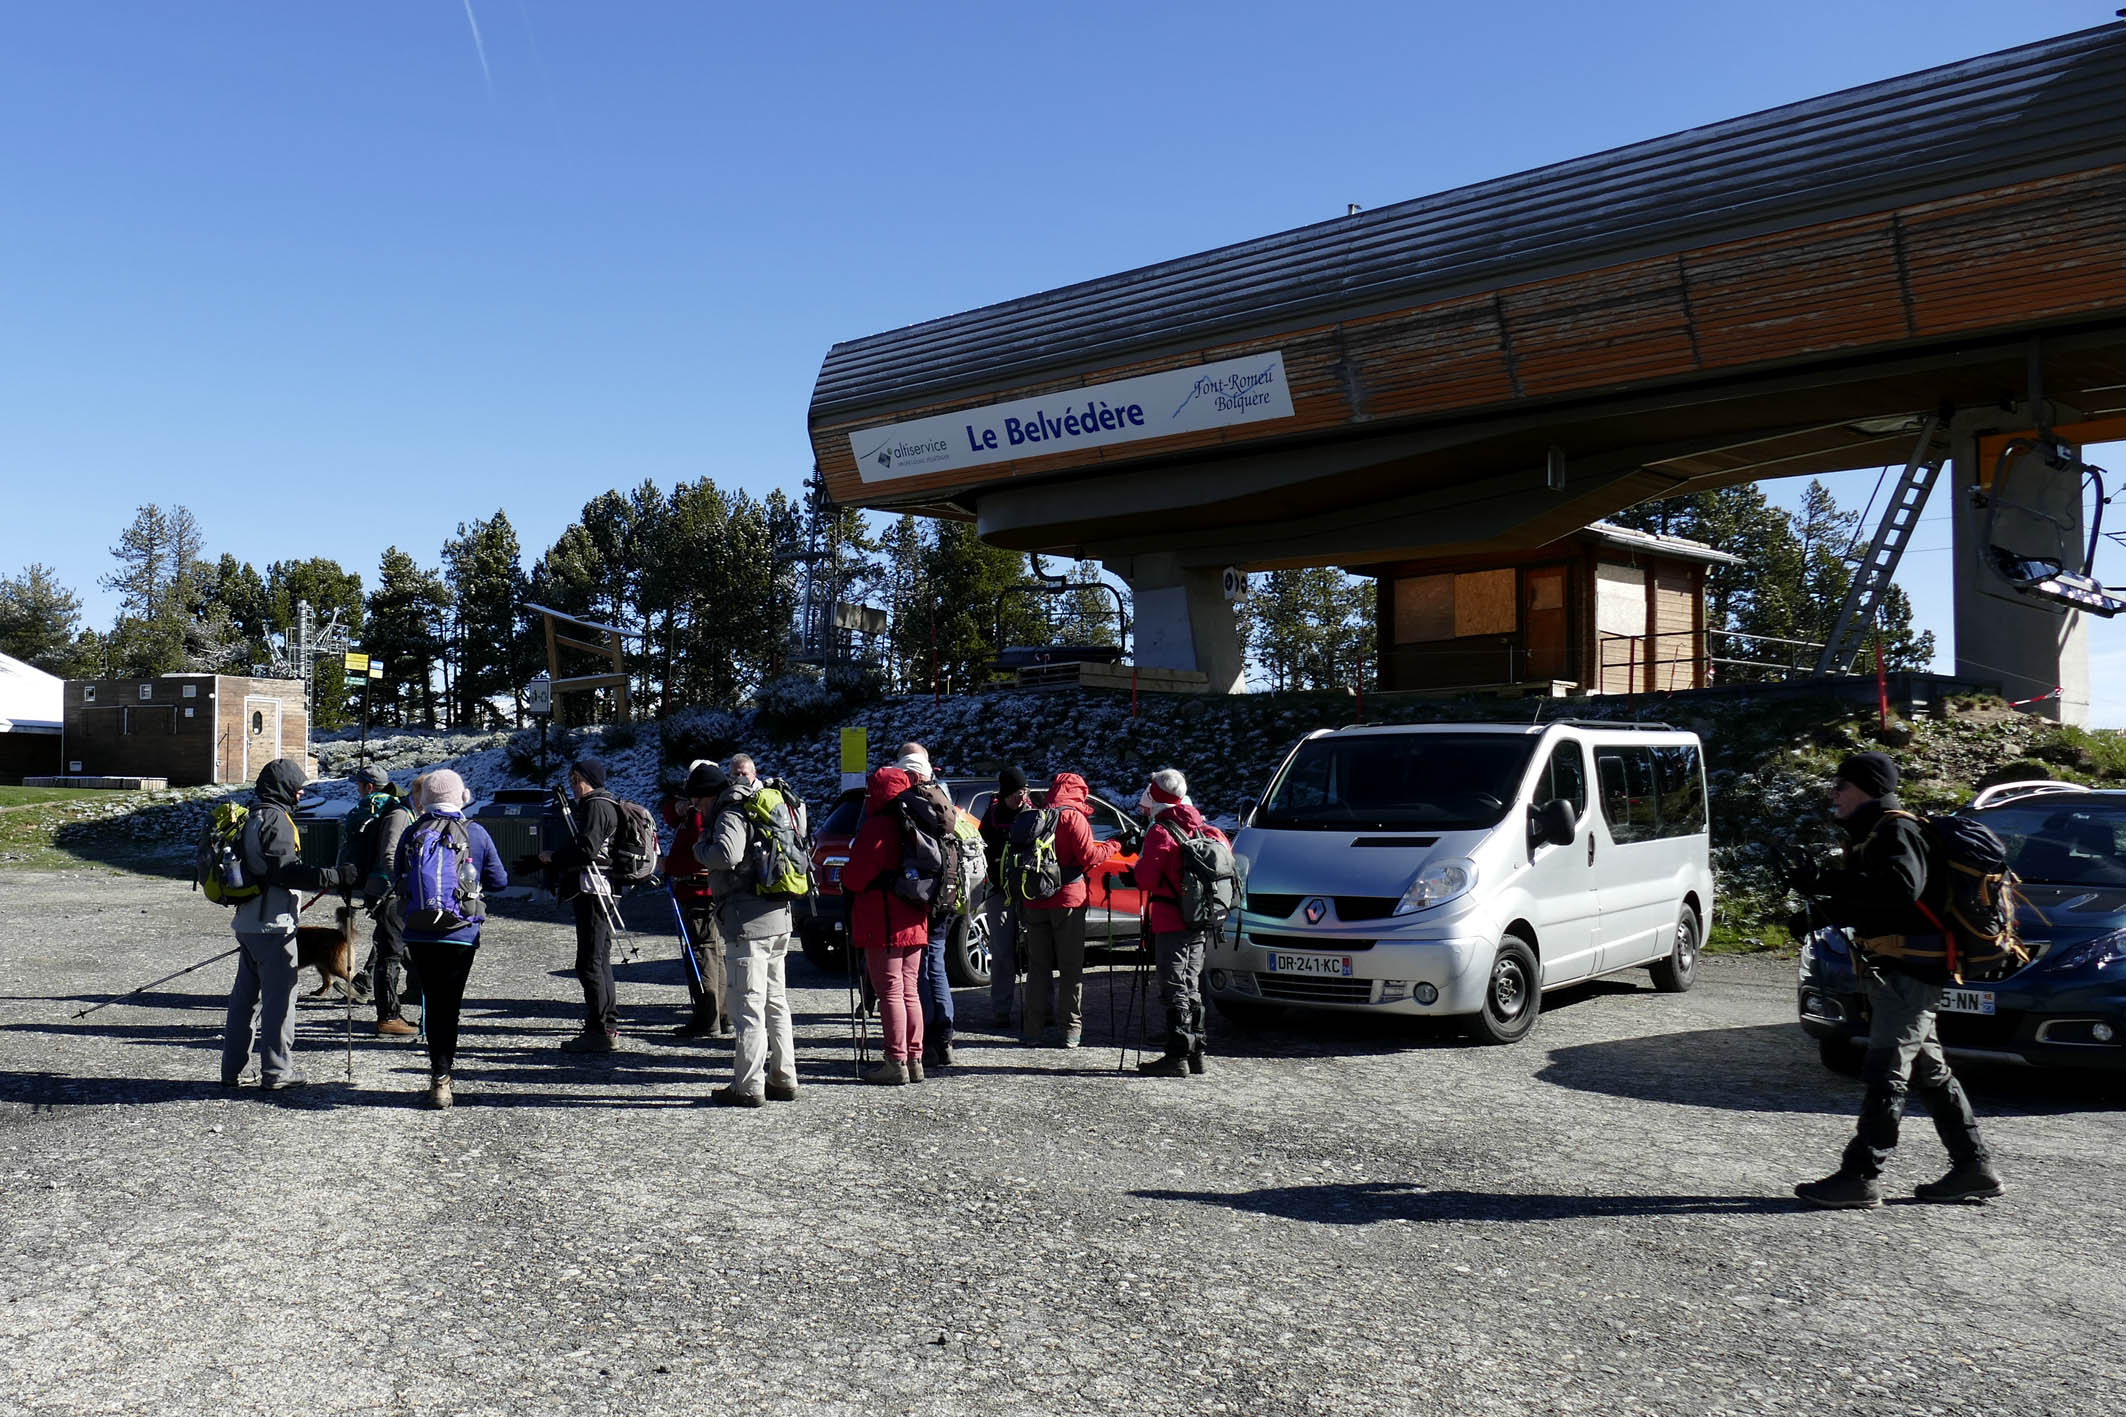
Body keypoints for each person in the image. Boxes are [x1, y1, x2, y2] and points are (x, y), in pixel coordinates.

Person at [1789, 752, 2003, 1209]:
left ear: (1866, 788)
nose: (1834, 794)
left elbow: (1901, 889)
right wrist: (1819, 907)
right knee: (1930, 1070)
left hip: (1910, 972)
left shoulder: (1895, 829)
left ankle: (1861, 1176)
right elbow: (1885, 899)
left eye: (1841, 786)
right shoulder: (1876, 831)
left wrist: (1829, 882)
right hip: (1904, 968)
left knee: (1886, 1069)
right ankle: (1974, 1168)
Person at [220, 758, 359, 1090]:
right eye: (297, 787)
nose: (300, 793)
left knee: (244, 1001)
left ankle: (233, 1071)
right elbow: (286, 872)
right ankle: (277, 1071)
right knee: (280, 1002)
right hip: (273, 926)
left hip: (248, 922)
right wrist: (335, 876)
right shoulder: (276, 820)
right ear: (282, 788)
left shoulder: (251, 816)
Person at [392, 770, 510, 1109]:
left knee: (432, 1002)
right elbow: (499, 881)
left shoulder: (413, 832)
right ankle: (444, 1077)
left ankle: (438, 1078)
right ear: (463, 796)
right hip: (460, 932)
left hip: (419, 931)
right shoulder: (476, 832)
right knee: (449, 1005)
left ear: (424, 799)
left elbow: (398, 875)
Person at [692, 757, 800, 1107]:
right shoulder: (757, 803)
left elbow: (727, 854)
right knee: (775, 1002)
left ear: (707, 795)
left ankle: (748, 1085)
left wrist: (699, 848)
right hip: (778, 917)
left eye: (697, 802)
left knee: (748, 1006)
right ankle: (783, 1078)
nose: (697, 809)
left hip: (749, 923)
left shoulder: (730, 812)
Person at [1127, 768, 1227, 1077]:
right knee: (1191, 983)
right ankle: (1197, 1053)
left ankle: (1177, 1056)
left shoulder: (1161, 831)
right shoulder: (1201, 827)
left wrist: (1134, 870)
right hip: (1199, 917)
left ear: (1155, 797)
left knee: (1173, 986)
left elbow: (1146, 878)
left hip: (1171, 918)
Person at [842, 764, 931, 1084]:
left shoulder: (877, 827)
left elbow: (855, 877)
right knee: (910, 990)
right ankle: (914, 1059)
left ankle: (895, 1061)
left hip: (884, 921)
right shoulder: (916, 821)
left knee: (890, 991)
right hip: (915, 917)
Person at [1017, 770, 1119, 1049]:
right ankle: (1070, 1029)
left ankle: (1032, 1029)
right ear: (1080, 793)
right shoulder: (1073, 817)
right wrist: (1114, 845)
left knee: (1038, 967)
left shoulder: (1038, 815)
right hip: (1068, 900)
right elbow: (1089, 857)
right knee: (1070, 967)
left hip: (1035, 898)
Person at [540, 759, 624, 1052]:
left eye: (578, 779)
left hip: (593, 890)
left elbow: (587, 849)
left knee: (589, 962)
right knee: (599, 959)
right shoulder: (605, 803)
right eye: (572, 779)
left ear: (592, 780)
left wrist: (554, 857)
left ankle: (600, 1030)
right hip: (603, 888)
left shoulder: (595, 805)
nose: (574, 785)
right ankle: (606, 1025)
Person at [895, 742, 959, 1066]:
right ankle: (945, 1036)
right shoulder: (942, 798)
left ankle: (925, 1038)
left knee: (915, 971)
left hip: (916, 894)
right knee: (937, 965)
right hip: (945, 892)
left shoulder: (905, 802)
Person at [342, 764, 417, 1038]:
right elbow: (389, 854)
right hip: (388, 890)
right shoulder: (397, 811)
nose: (358, 790)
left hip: (376, 887)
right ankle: (388, 1016)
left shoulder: (373, 810)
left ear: (369, 787)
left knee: (394, 942)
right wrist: (403, 884)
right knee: (391, 950)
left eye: (358, 785)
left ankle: (404, 993)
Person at [660, 762, 726, 1039]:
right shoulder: (698, 811)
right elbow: (670, 813)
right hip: (702, 892)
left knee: (703, 955)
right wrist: (679, 807)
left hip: (699, 893)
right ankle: (721, 1015)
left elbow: (699, 854)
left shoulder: (701, 816)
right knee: (713, 954)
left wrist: (670, 866)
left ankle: (708, 1018)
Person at [979, 766, 1038, 1030]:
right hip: (999, 892)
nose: (1021, 796)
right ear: (1004, 793)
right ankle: (1001, 1010)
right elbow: (980, 852)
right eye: (1016, 792)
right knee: (1002, 953)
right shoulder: (991, 818)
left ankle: (1040, 1009)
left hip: (1029, 892)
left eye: (1024, 791)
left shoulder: (1034, 815)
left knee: (1037, 953)